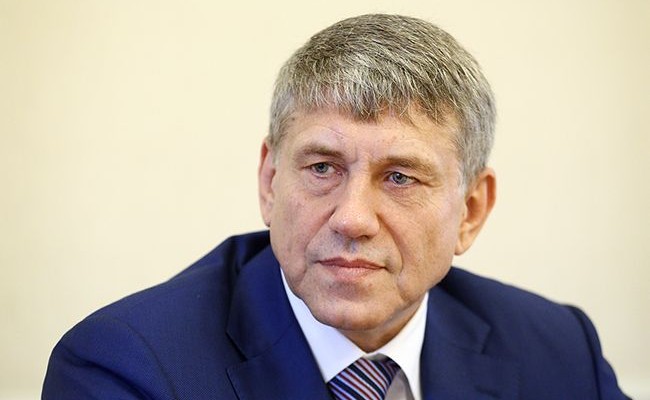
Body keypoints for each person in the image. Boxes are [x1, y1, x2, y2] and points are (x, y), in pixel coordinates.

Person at [42, 14, 629, 399]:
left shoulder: (558, 350)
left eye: (399, 177)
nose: (352, 218)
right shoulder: (128, 369)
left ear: (471, 210)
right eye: (322, 168)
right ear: (270, 181)